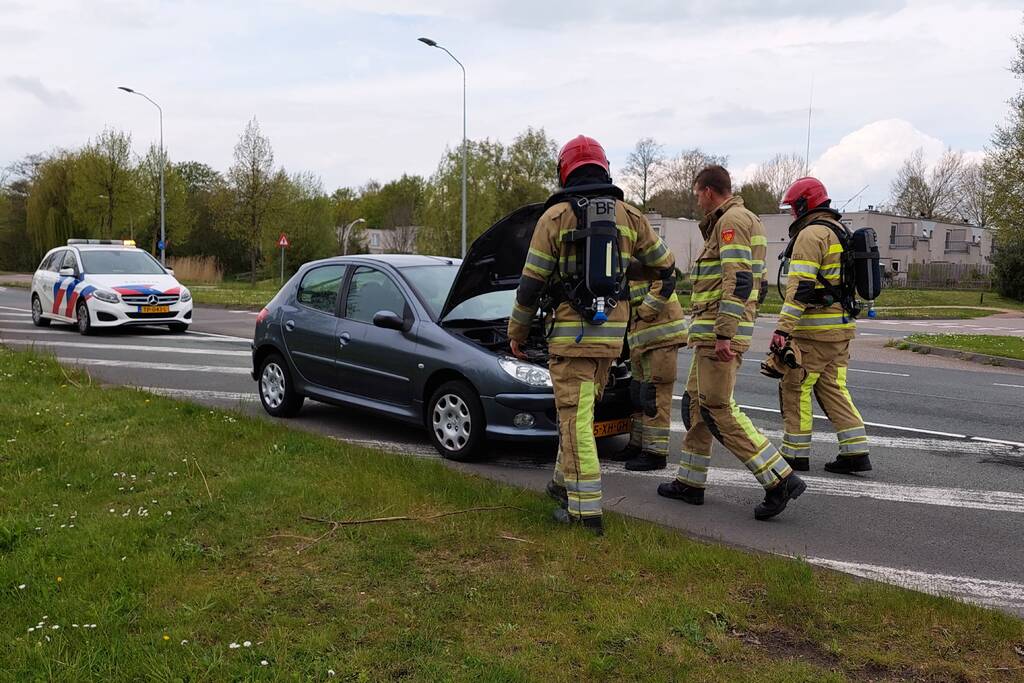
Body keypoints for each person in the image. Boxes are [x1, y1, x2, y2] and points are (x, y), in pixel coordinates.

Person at [508, 134, 677, 535]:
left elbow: (531, 284)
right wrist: (623, 269)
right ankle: (560, 484)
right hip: (612, 338)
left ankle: (585, 513)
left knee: (575, 421)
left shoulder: (554, 218)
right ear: (603, 168)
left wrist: (517, 329)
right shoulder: (630, 216)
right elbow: (665, 267)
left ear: (565, 170)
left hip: (571, 340)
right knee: (580, 413)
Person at [658, 165, 806, 520]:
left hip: (718, 336)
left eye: (697, 193)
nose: (696, 201)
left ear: (709, 191)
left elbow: (738, 280)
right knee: (696, 405)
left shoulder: (730, 222)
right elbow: (759, 282)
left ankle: (779, 478)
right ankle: (690, 483)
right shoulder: (743, 220)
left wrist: (724, 332)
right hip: (714, 333)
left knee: (717, 408)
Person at [773, 177, 870, 474]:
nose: (791, 213)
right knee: (834, 389)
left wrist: (782, 329)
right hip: (840, 330)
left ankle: (794, 455)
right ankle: (855, 451)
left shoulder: (811, 234)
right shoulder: (841, 231)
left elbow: (800, 288)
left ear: (805, 204)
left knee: (796, 387)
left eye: (793, 207)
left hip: (814, 333)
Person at [609, 262, 687, 471]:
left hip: (661, 337)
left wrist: (644, 313)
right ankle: (637, 444)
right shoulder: (623, 257)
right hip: (640, 341)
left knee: (654, 396)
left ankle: (655, 453)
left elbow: (666, 280)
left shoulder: (647, 251)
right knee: (638, 394)